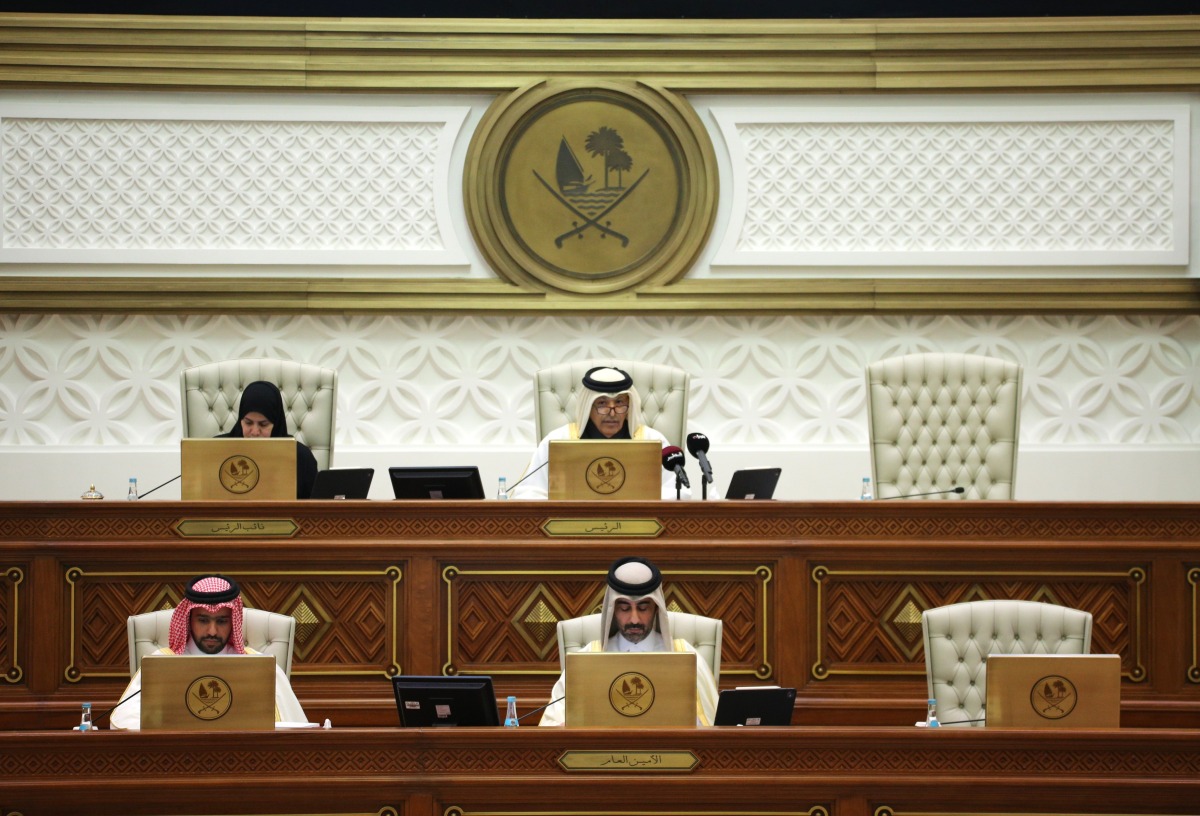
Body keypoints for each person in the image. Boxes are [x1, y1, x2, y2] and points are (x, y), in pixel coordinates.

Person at [110, 574, 308, 729]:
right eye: (203, 620)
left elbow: (291, 728)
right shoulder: (160, 664)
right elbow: (125, 722)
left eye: (221, 621)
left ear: (233, 622)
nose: (212, 631)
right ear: (189, 620)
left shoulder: (260, 666)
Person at [538, 556, 718, 726]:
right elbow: (551, 726)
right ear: (612, 610)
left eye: (643, 608)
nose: (634, 620)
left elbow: (712, 726)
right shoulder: (586, 659)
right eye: (624, 608)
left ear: (656, 609)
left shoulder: (686, 657)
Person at [509, 366, 689, 500]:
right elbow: (527, 494)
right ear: (588, 407)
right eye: (602, 404)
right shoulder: (558, 441)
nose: (612, 413)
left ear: (629, 406)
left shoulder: (653, 442)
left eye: (619, 403)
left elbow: (679, 493)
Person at [218, 380, 318, 499]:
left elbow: (314, 507)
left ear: (276, 424)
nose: (255, 432)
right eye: (248, 423)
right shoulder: (217, 449)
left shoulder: (301, 458)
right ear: (240, 421)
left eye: (263, 424)